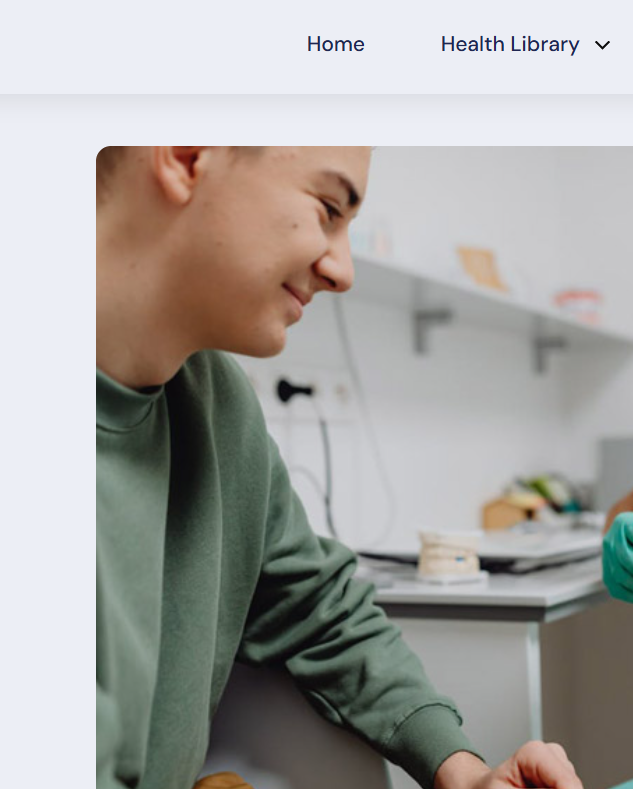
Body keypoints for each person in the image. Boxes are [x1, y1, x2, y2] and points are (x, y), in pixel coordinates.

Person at [96, 146, 584, 789]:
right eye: (328, 209)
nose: (342, 270)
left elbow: (318, 607)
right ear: (187, 155)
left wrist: (460, 770)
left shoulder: (215, 404)